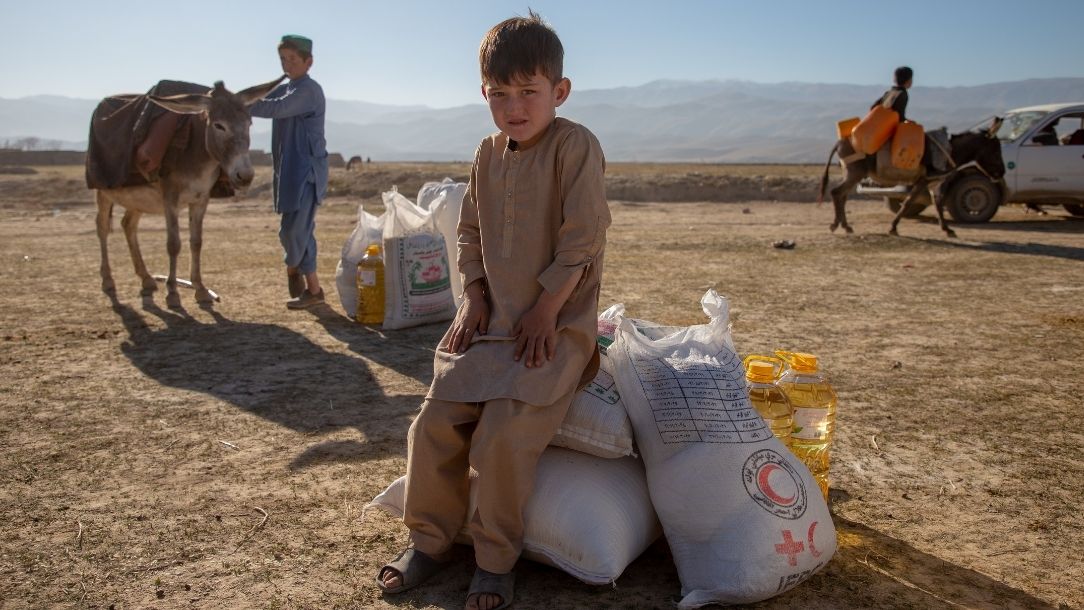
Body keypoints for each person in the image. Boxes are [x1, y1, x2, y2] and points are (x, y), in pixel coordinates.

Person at [376, 11, 610, 610]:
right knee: (432, 426)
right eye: (499, 93)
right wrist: (474, 296)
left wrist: (547, 310)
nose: (514, 106)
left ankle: (496, 560)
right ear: (484, 93)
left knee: (502, 439)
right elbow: (471, 231)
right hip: (491, 325)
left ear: (559, 91)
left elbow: (583, 237)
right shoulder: (486, 152)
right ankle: (429, 542)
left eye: (529, 91)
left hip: (554, 329)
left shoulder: (574, 145)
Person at [249, 34, 329, 309]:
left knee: (296, 231)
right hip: (288, 171)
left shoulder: (308, 90)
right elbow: (265, 99)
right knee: (292, 231)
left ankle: (296, 273)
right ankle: (313, 290)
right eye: (283, 59)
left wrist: (239, 103)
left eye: (293, 59)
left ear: (309, 62)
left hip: (307, 171)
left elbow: (275, 108)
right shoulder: (286, 88)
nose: (287, 65)